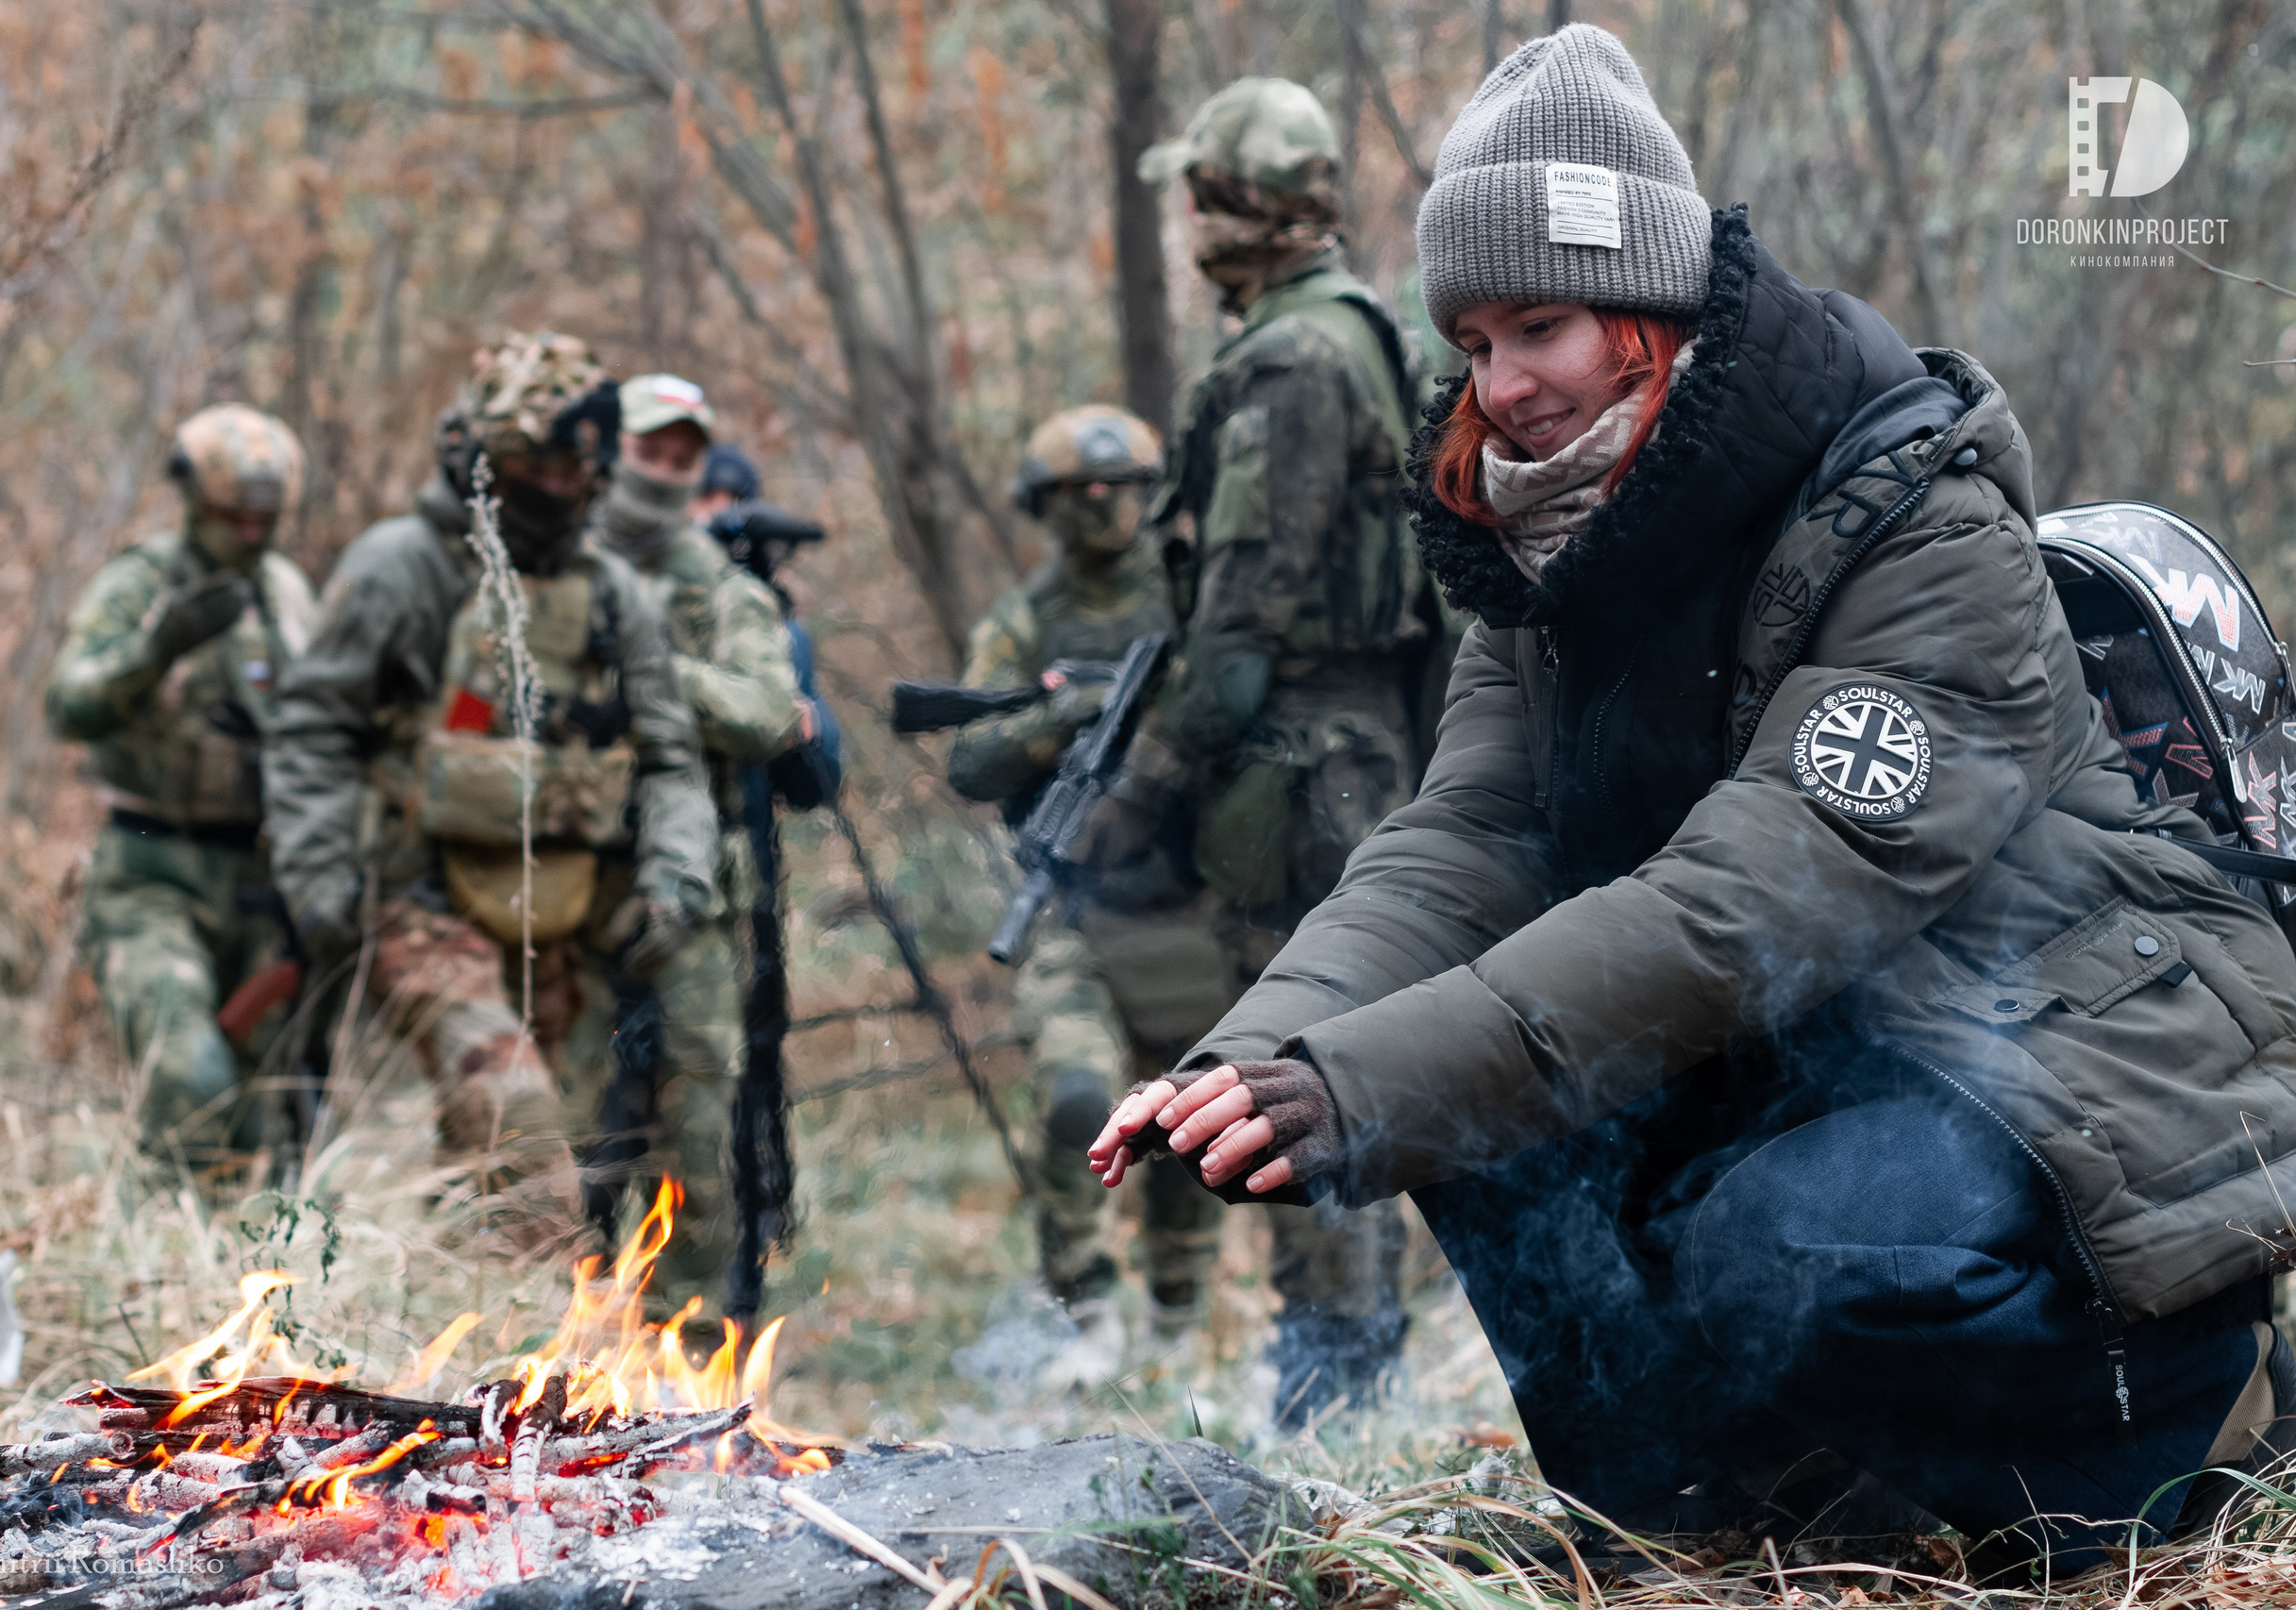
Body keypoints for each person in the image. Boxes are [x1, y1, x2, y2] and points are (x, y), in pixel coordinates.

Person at [1095, 23, 2296, 1570]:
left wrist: (1360, 1083)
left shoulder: (1919, 521)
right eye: (1473, 342)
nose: (1502, 387)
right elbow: (1468, 840)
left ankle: (2179, 1443)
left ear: (1652, 305)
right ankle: (1717, 1519)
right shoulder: (1550, 551)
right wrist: (1260, 1057)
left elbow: (1745, 903)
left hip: (2051, 1061)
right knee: (1471, 1126)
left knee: (1784, 1235)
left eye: (1541, 326)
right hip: (1820, 1053)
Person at [1099, 77, 1445, 1423]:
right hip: (1337, 749)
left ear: (1237, 205)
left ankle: (1335, 1381)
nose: (1187, 222)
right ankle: (1342, 1360)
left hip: (1308, 763)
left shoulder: (1293, 359)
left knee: (1300, 1064)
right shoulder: (1340, 331)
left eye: (1199, 195)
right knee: (1321, 1052)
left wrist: (1142, 788)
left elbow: (1240, 622)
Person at [264, 332, 721, 1234]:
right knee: (523, 1136)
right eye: (530, 465)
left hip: (558, 919)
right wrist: (321, 878)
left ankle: (459, 1307)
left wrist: (676, 878)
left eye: (569, 466)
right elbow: (313, 727)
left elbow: (671, 756)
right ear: (479, 455)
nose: (552, 485)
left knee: (527, 1170)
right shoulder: (403, 566)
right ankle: (507, 1305)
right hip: (418, 902)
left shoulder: (611, 591)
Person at [942, 404, 1222, 1376]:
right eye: (1076, 491)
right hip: (1071, 909)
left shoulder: (1191, 598)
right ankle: (1086, 1308)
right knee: (1075, 1098)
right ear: (1042, 504)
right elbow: (969, 758)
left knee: (1189, 1119)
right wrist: (1057, 719)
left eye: (1119, 487)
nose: (1099, 503)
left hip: (1190, 903)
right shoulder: (1024, 619)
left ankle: (1179, 1316)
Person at [48, 405, 319, 1169]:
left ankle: (241, 1241)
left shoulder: (286, 592)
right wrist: (154, 649)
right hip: (151, 864)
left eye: (265, 518)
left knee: (266, 1117)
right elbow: (67, 703)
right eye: (235, 516)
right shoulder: (141, 581)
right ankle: (161, 1228)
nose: (252, 532)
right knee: (188, 1075)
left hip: (263, 879)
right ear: (197, 502)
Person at [584, 374, 804, 1305]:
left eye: (684, 456)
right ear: (611, 452)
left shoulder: (722, 589)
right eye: (649, 451)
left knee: (698, 1138)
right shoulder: (553, 572)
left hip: (697, 901)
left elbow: (769, 713)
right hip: (560, 890)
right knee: (566, 1134)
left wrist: (651, 670)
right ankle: (549, 1338)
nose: (666, 471)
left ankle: (687, 1348)